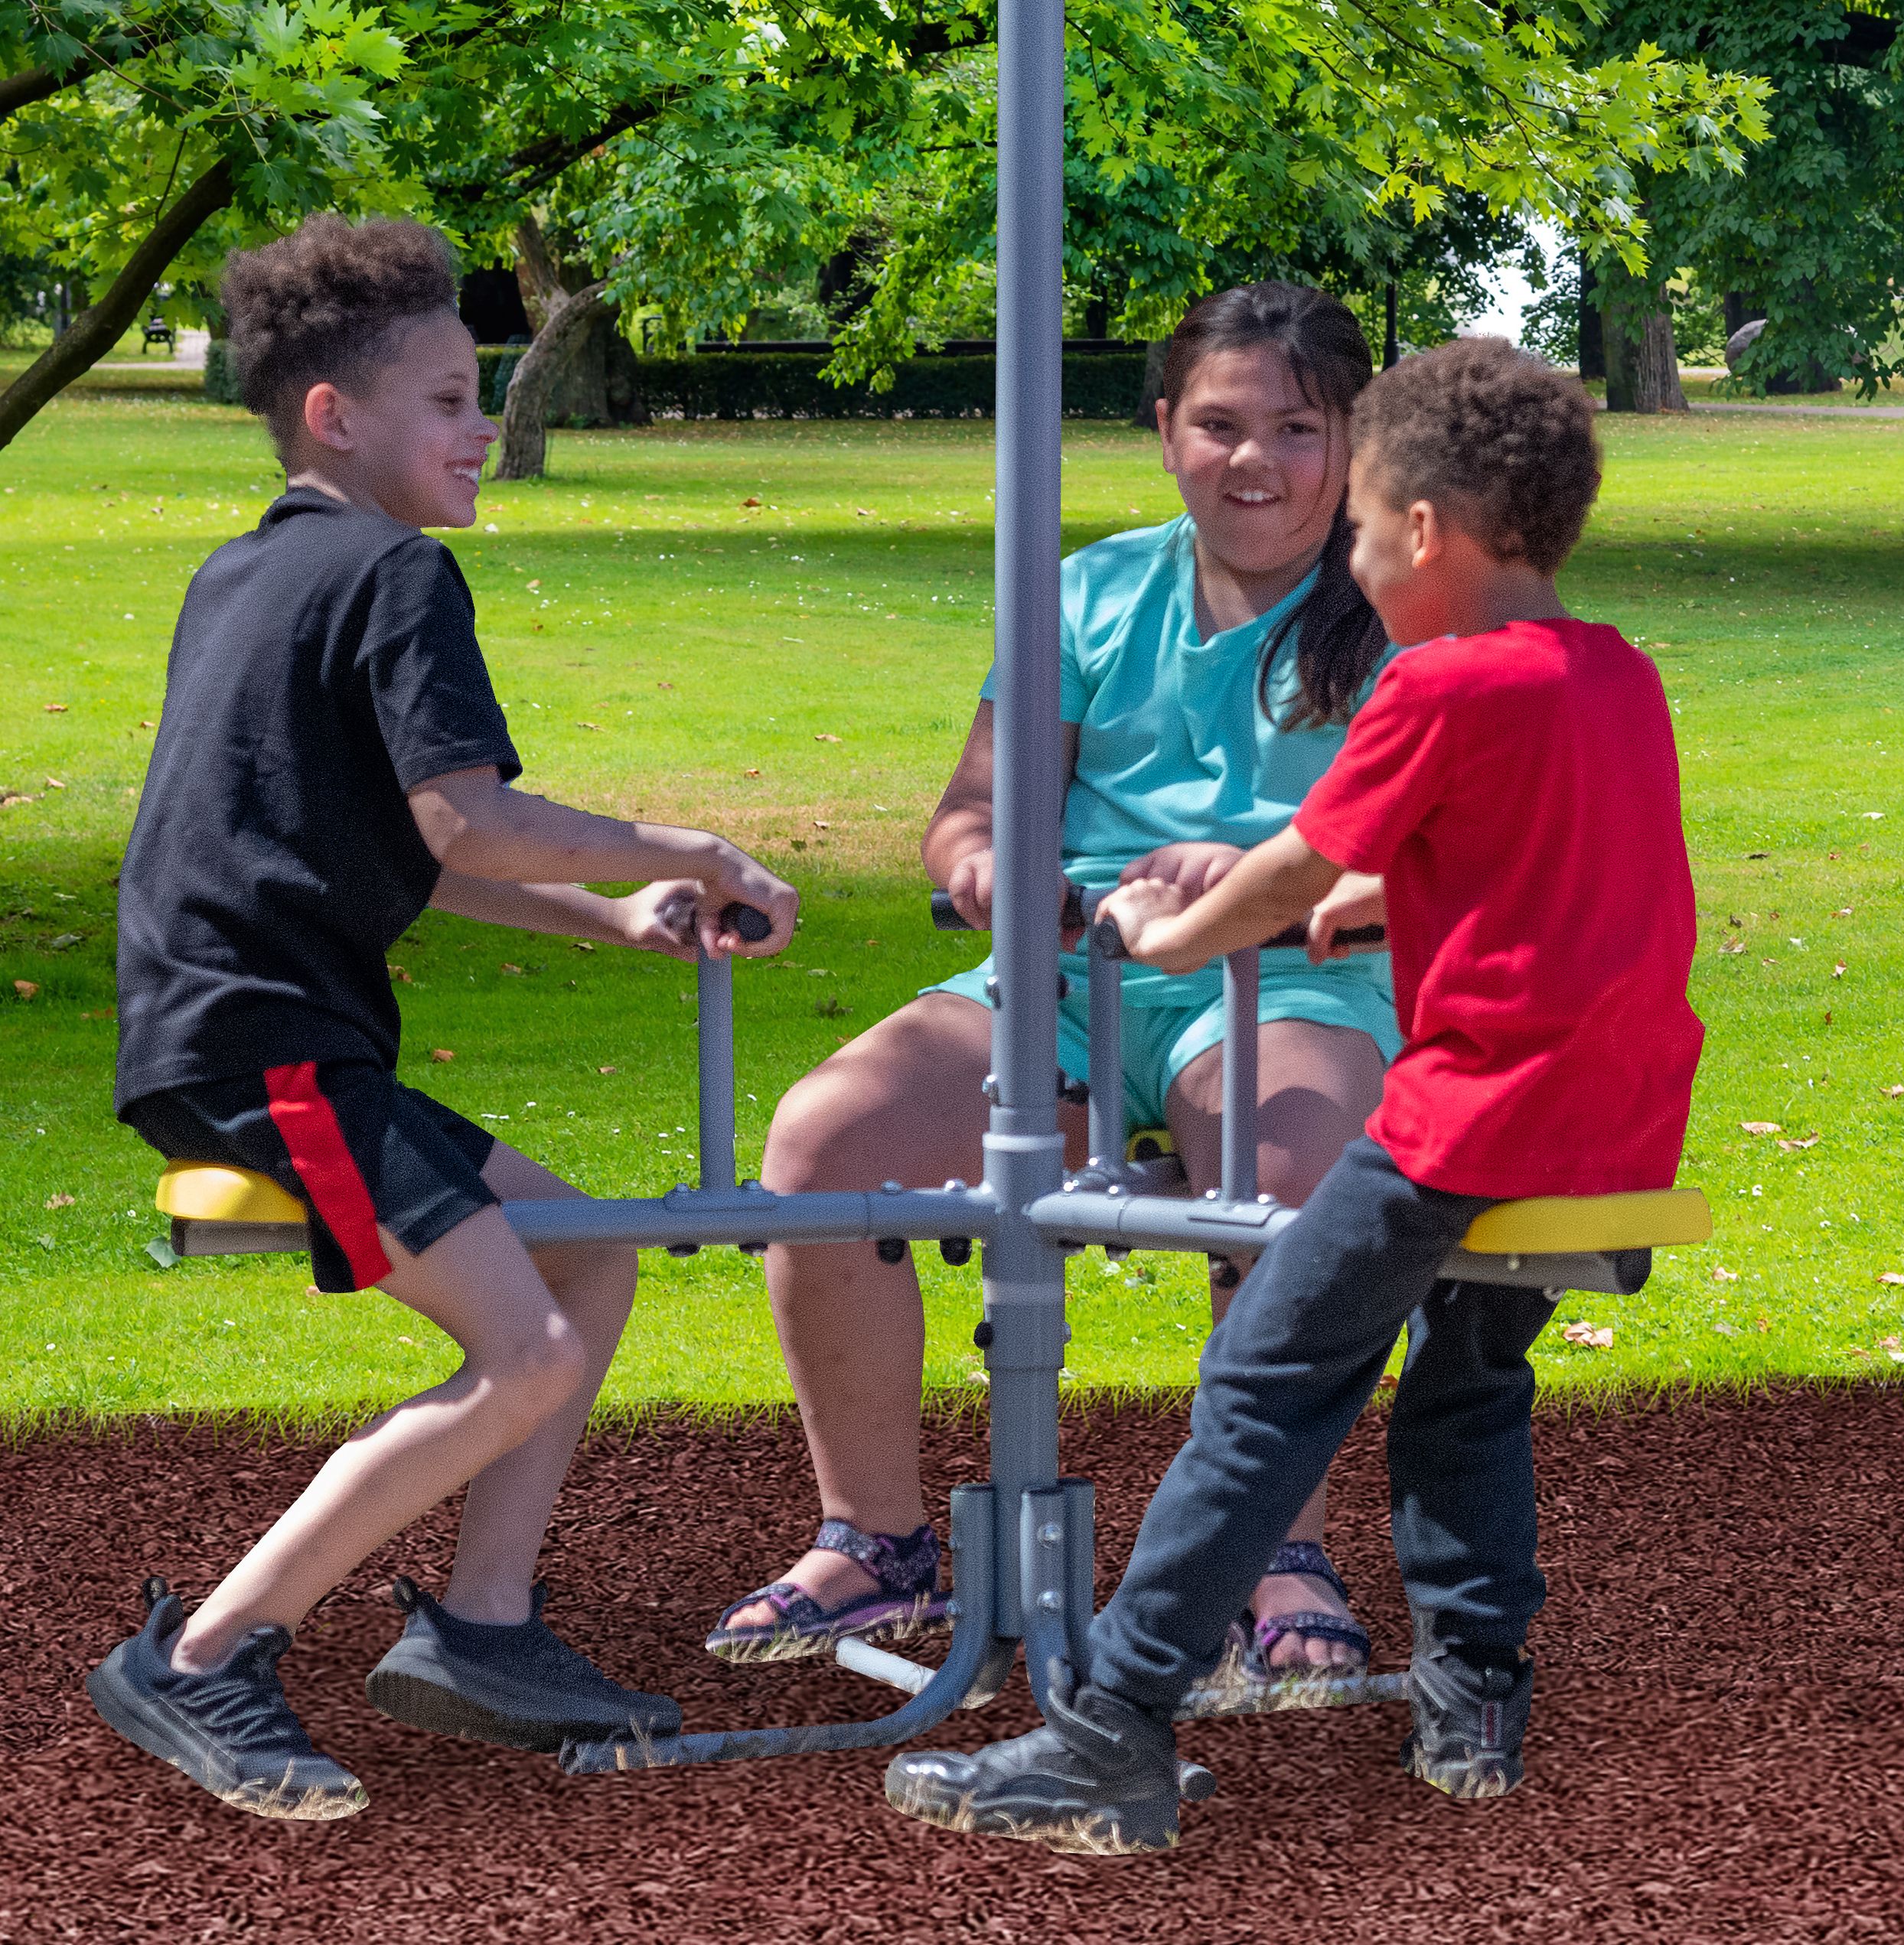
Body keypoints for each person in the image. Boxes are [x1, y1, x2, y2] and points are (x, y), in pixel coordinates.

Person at [882, 335, 1705, 1853]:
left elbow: (1287, 867)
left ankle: (1105, 1725)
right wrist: (1385, 903)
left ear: (1423, 534)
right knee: (1465, 1380)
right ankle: (1469, 1690)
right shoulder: (1612, 673)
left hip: (1469, 1118)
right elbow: (1550, 873)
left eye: (1365, 522)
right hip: (1612, 1114)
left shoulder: (1437, 684)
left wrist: (1167, 931)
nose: (1354, 558)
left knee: (1263, 1378)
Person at [87, 215, 797, 1820]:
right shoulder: (398, 571)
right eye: (449, 396)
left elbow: (406, 842)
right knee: (523, 1347)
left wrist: (611, 911)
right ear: (336, 415)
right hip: (268, 1048)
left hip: (240, 1030)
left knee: (583, 1237)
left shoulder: (254, 568)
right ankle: (205, 1650)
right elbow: (472, 820)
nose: (484, 426)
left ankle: (483, 1627)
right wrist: (683, 849)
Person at [712, 285, 1402, 1689]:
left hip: (1285, 981)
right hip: (1071, 975)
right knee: (820, 1140)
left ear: (1353, 441)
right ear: (1162, 432)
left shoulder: (1393, 608)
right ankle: (878, 1540)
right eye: (1217, 424)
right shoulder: (1088, 591)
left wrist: (1258, 878)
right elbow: (970, 812)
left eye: (1295, 427)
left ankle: (1276, 1550)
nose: (1253, 460)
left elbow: (1428, 844)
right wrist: (985, 867)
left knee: (1277, 1180)